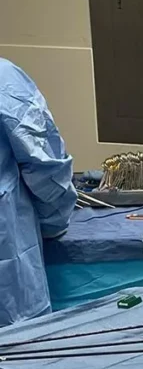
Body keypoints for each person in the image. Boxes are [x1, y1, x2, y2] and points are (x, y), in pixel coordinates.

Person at [0, 58, 76, 327]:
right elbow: (46, 168)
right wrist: (53, 222)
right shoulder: (5, 82)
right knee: (17, 357)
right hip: (9, 284)